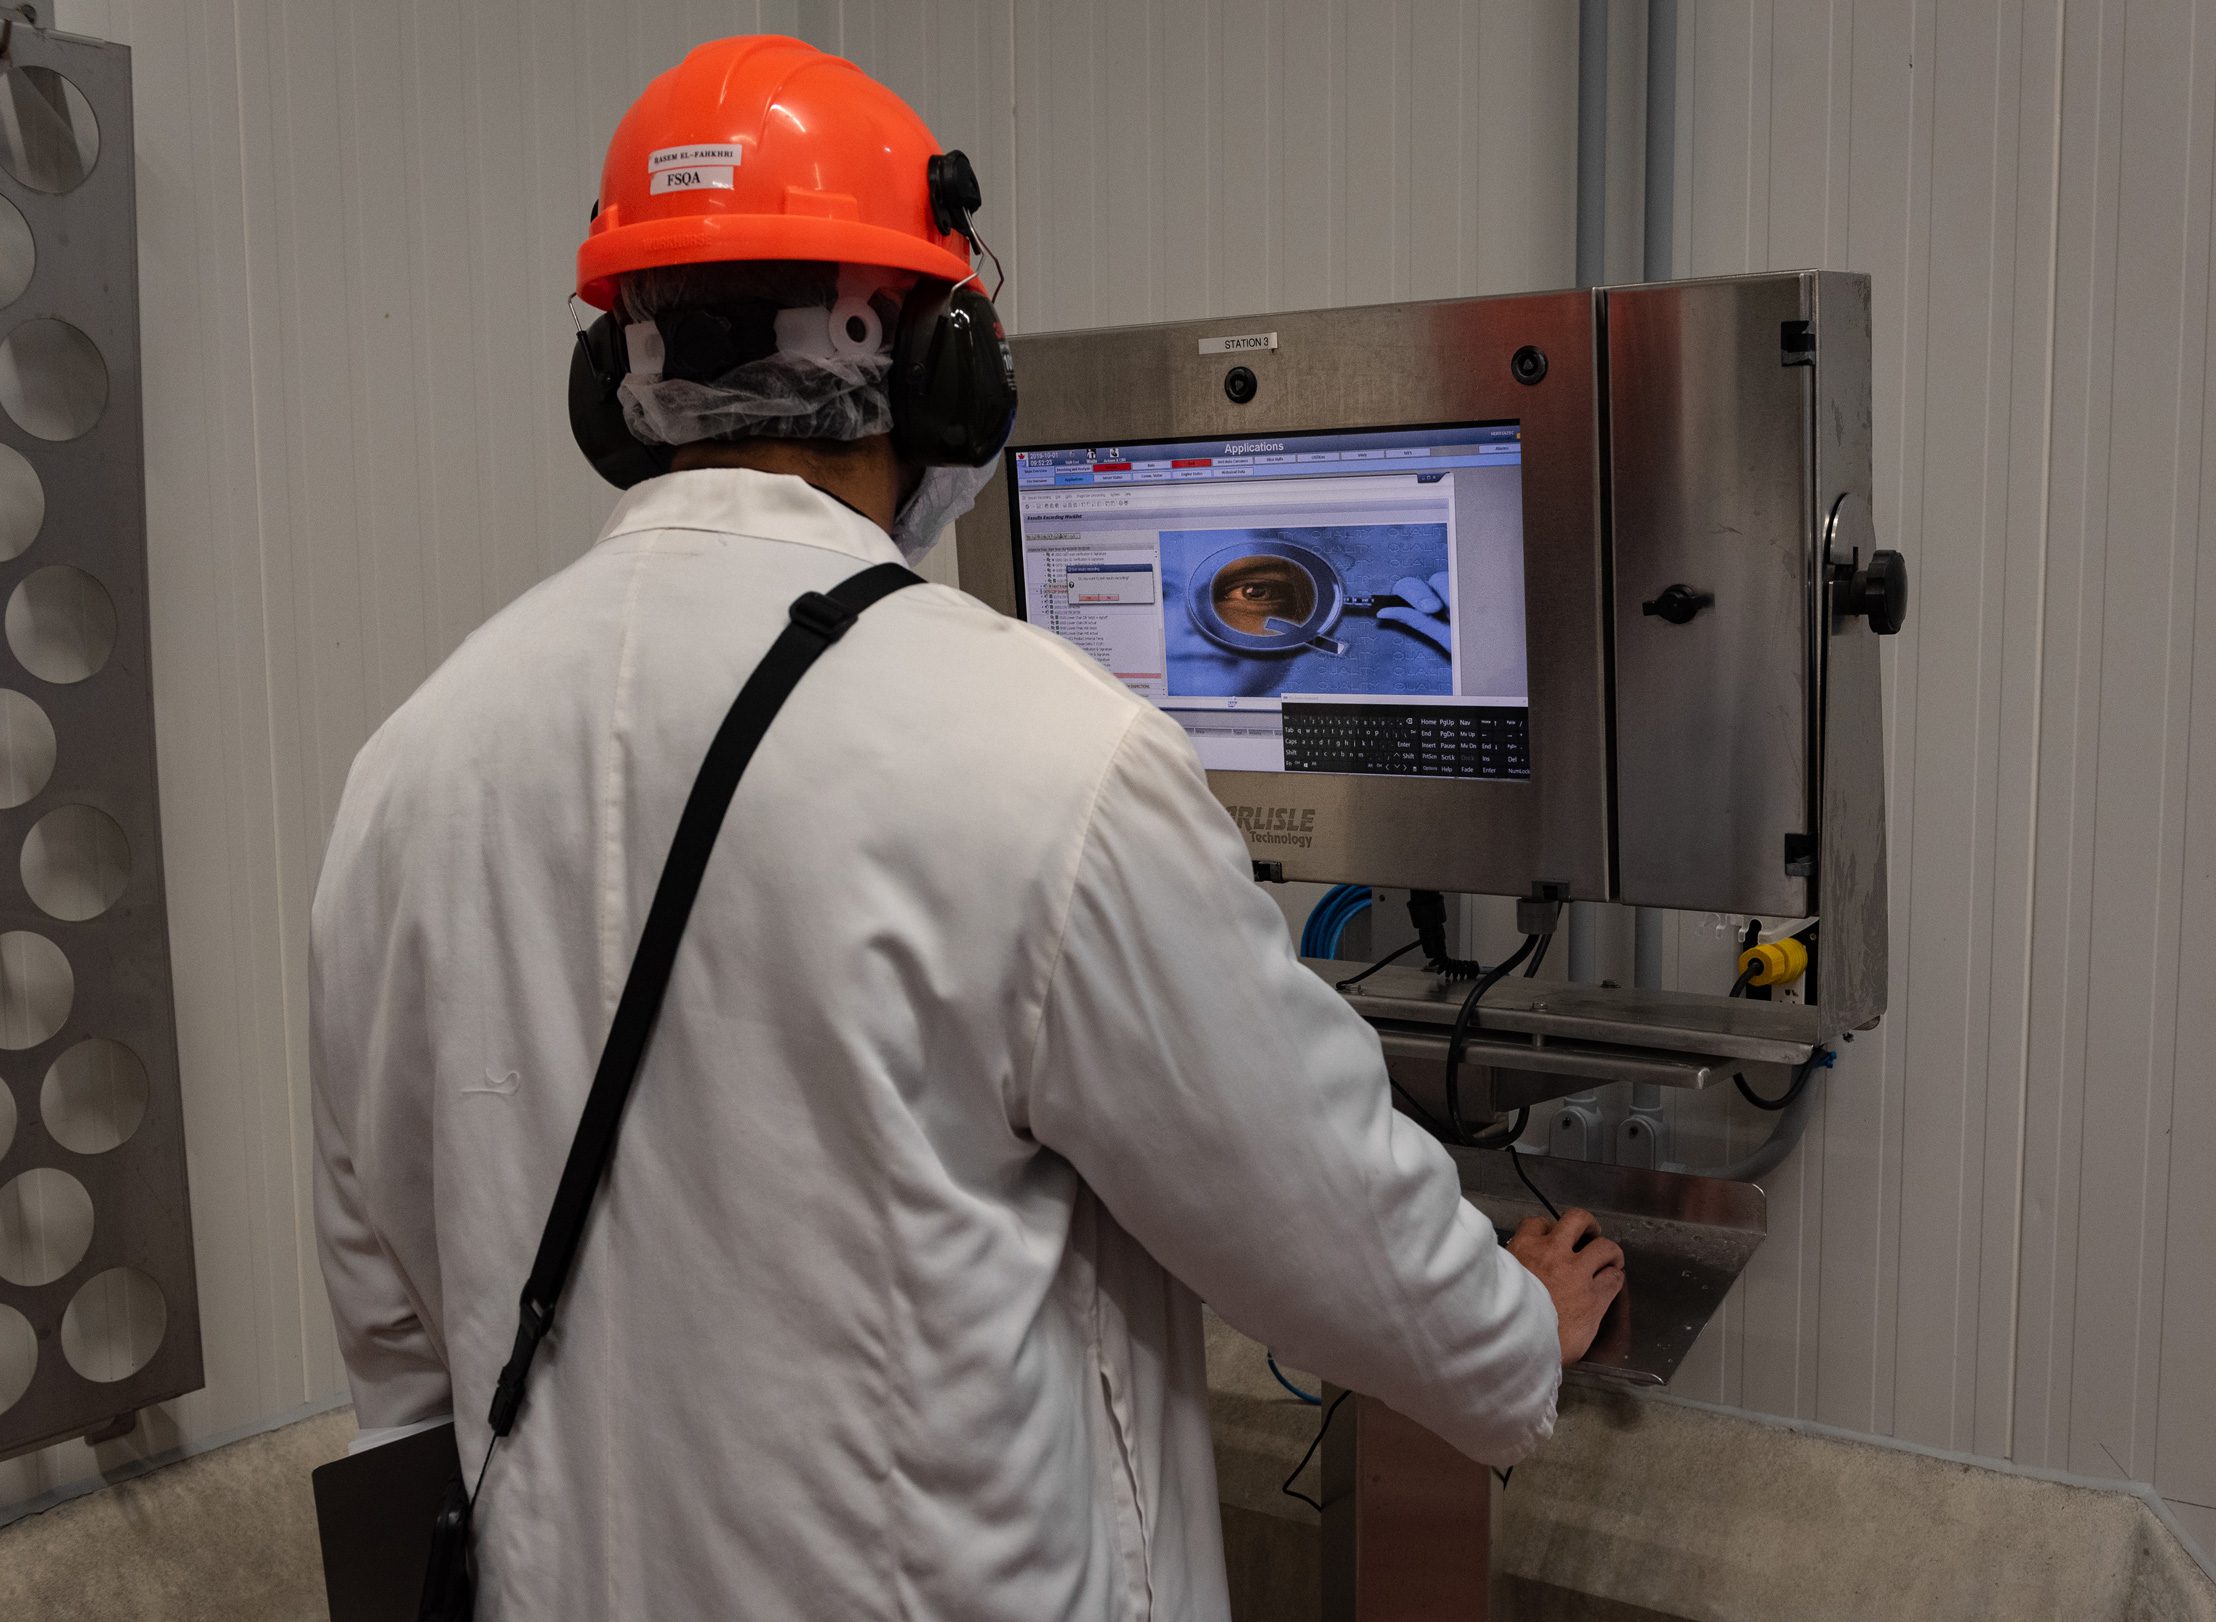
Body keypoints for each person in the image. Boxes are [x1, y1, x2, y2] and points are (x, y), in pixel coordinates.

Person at [310, 34, 1623, 1622]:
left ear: (620, 377)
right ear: (943, 366)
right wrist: (1511, 1329)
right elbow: (1319, 1215)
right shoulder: (1045, 753)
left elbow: (395, 1323)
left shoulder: (408, 766)